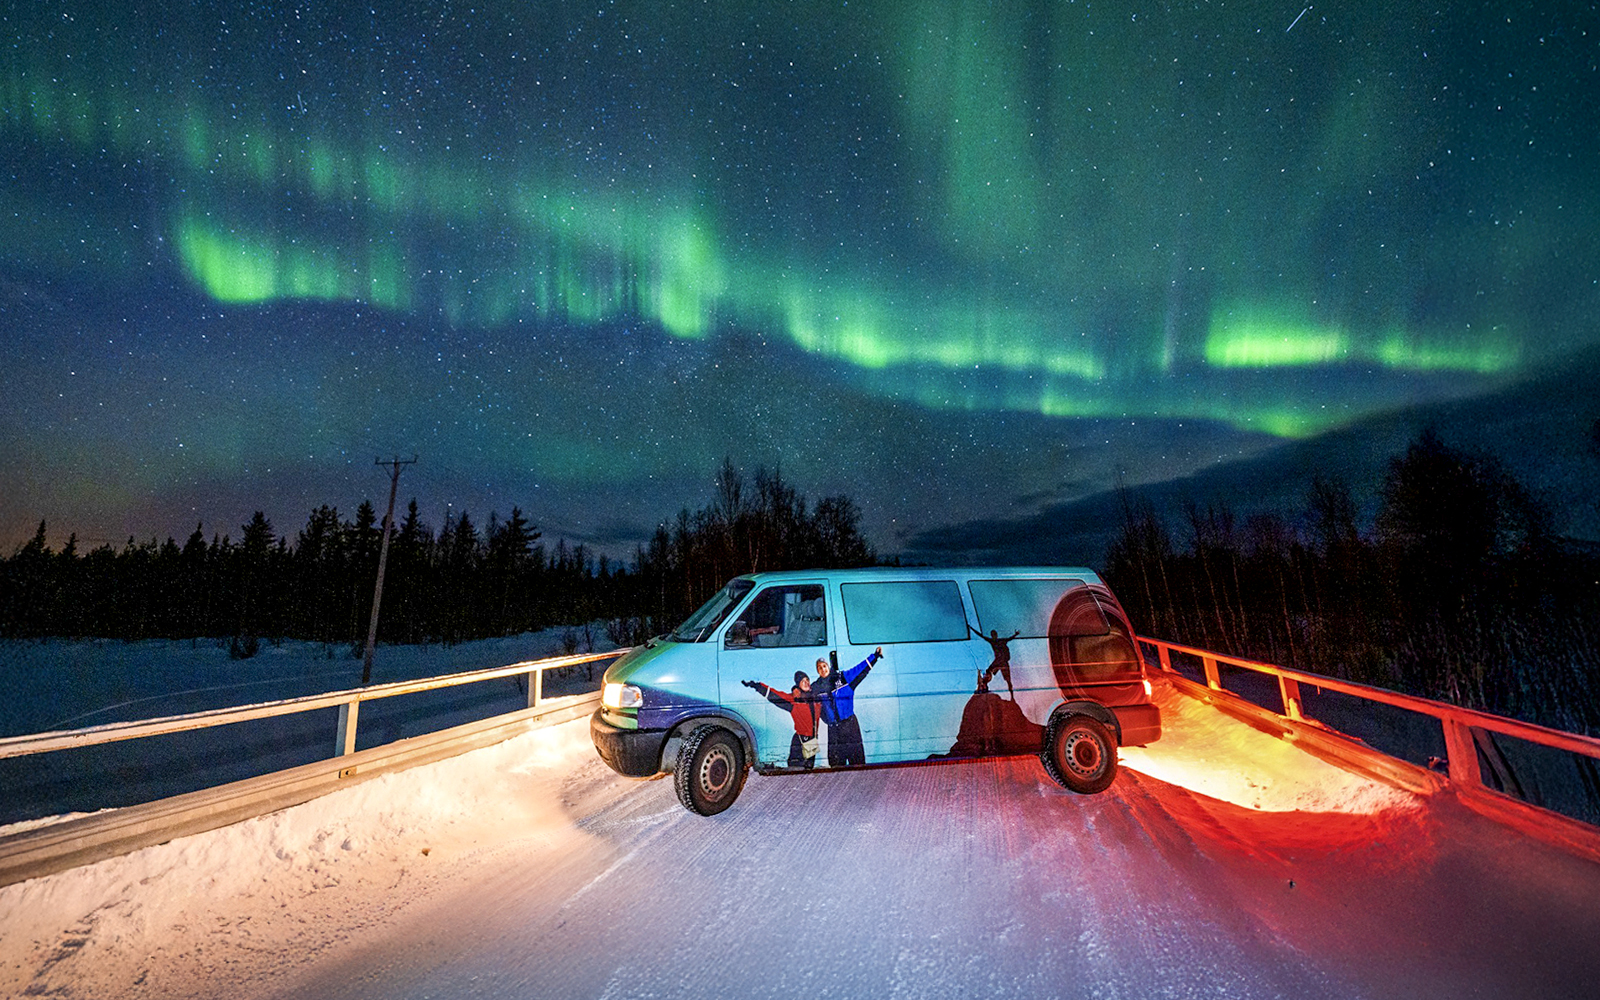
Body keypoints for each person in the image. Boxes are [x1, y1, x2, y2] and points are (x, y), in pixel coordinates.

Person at [813, 647, 881, 766]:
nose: (823, 669)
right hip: (834, 730)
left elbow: (859, 669)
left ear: (828, 666)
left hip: (850, 726)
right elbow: (806, 697)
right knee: (836, 764)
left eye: (824, 666)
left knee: (857, 761)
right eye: (819, 667)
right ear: (817, 671)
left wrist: (874, 656)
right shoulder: (816, 687)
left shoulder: (842, 678)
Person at [742, 672, 822, 768]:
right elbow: (775, 695)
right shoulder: (794, 700)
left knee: (809, 769)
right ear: (798, 684)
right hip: (800, 741)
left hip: (812, 741)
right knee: (795, 770)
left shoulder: (816, 698)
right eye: (802, 681)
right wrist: (758, 686)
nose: (806, 682)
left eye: (807, 680)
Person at [972, 626, 1020, 699]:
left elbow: (1010, 638)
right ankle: (984, 686)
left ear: (996, 635)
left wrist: (1016, 634)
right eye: (992, 635)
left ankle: (1012, 696)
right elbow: (981, 636)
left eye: (994, 634)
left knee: (1008, 680)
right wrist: (972, 629)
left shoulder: (1001, 641)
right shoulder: (993, 641)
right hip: (998, 661)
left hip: (1003, 662)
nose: (993, 636)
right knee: (988, 672)